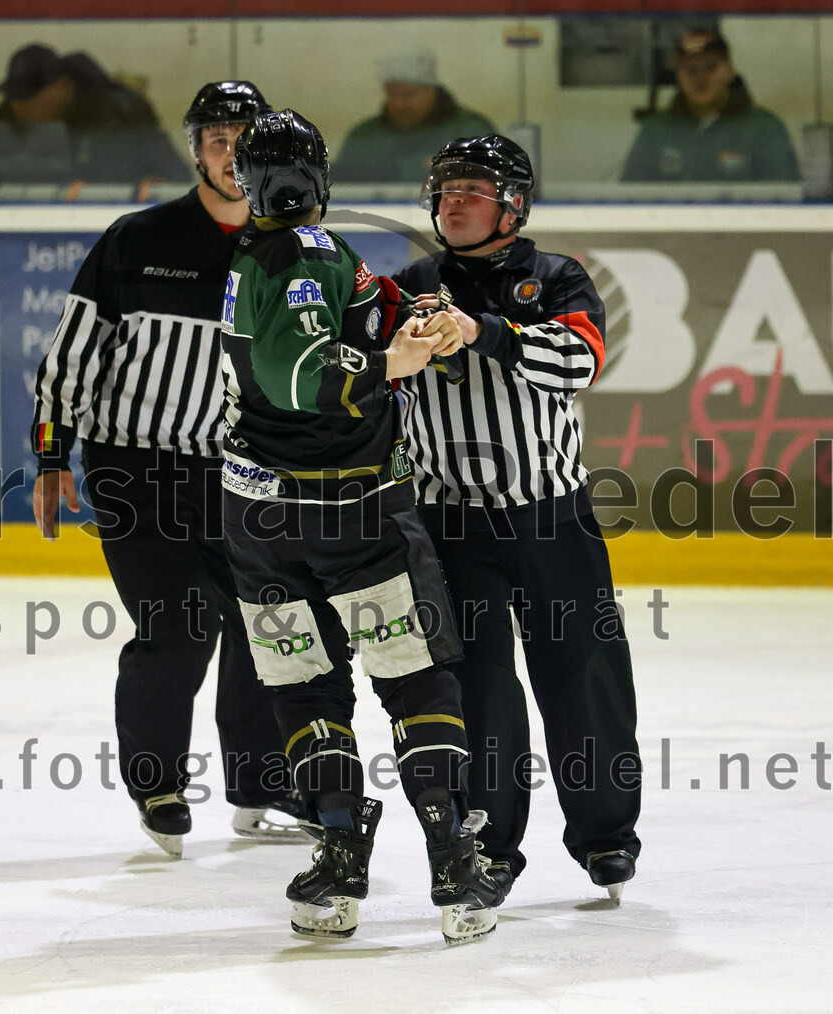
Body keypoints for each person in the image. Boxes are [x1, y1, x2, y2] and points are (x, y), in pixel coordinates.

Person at [220, 108, 505, 945]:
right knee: (414, 676)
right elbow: (306, 372)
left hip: (257, 519)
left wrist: (405, 305)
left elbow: (348, 303)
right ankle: (454, 858)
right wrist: (395, 361)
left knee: (302, 679)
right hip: (351, 514)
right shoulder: (309, 250)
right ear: (319, 176)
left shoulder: (252, 253)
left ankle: (341, 846)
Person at [30, 81, 301, 858]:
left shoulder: (285, 246)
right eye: (214, 137)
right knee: (178, 629)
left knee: (266, 627)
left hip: (242, 475)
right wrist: (52, 454)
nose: (228, 151)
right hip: (136, 471)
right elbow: (68, 361)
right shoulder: (137, 239)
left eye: (242, 137)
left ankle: (263, 789)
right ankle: (158, 784)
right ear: (195, 150)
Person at [393, 134, 642, 903]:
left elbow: (582, 363)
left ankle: (605, 835)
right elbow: (375, 390)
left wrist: (482, 331)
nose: (453, 202)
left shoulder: (555, 277)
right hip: (450, 526)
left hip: (551, 517)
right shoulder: (410, 285)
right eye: (445, 189)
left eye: (472, 188)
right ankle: (488, 846)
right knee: (477, 691)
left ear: (514, 204)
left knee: (584, 677)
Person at [0, 43, 188, 182]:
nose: (19, 106)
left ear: (62, 86)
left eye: (29, 96)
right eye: (14, 97)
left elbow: (175, 176)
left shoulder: (118, 113)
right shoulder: (13, 114)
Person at [621, 29, 799, 182]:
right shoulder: (655, 130)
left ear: (729, 71)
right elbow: (632, 197)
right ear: (678, 77)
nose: (701, 78)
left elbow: (784, 198)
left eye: (710, 67)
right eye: (691, 70)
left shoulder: (765, 129)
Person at [334, 47, 494, 184]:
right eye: (392, 95)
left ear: (432, 91)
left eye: (408, 95)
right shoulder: (364, 137)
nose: (399, 104)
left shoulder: (471, 132)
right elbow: (342, 181)